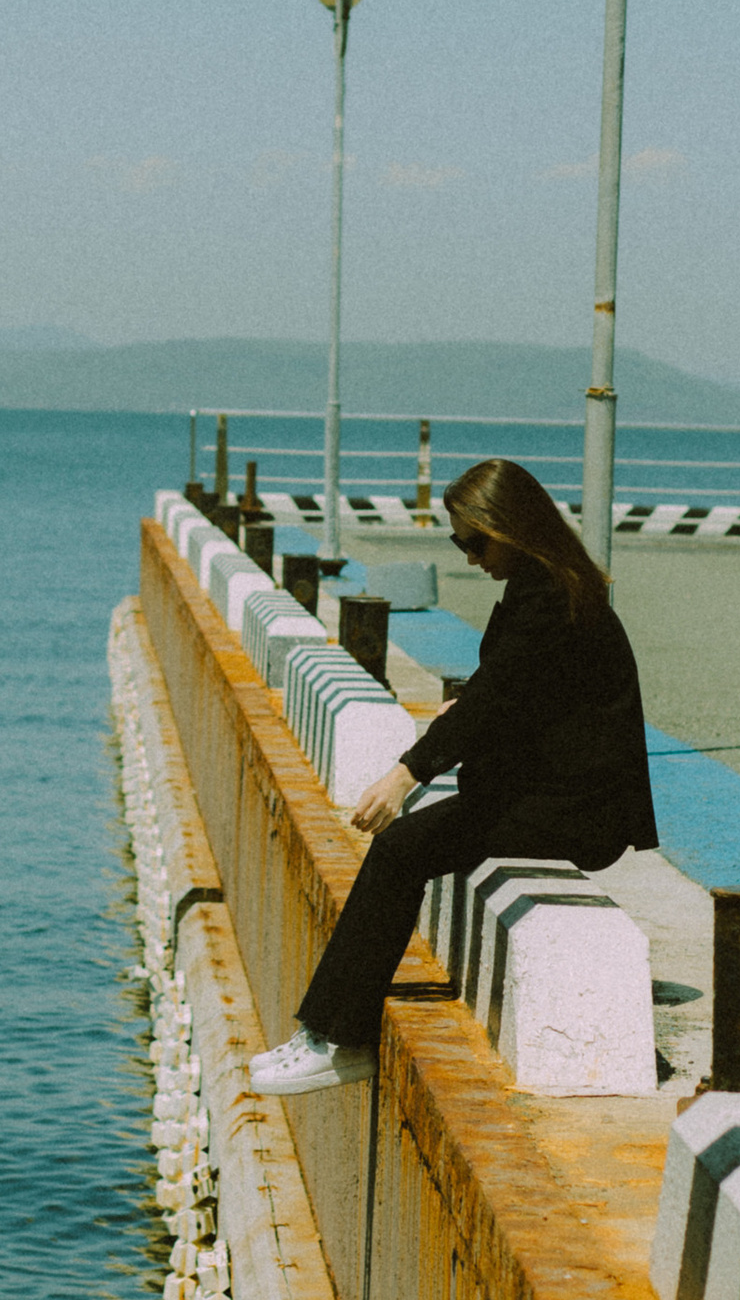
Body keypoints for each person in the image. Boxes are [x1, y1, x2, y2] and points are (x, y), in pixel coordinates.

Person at [251, 455, 658, 1095]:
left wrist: (404, 775)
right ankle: (325, 1031)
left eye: (475, 540)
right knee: (403, 849)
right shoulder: (547, 589)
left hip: (578, 810)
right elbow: (514, 690)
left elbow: (499, 699)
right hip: (559, 792)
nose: (469, 556)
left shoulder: (551, 600)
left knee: (398, 849)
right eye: (457, 541)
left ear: (512, 527)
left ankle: (338, 1040)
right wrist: (465, 707)